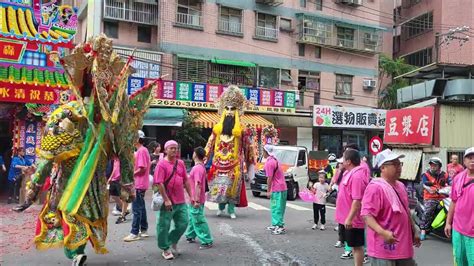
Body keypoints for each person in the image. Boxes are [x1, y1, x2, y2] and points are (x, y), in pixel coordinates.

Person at [361, 149, 421, 266]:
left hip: (404, 249)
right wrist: (383, 232)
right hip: (383, 251)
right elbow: (367, 216)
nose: (399, 167)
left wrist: (414, 230)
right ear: (382, 168)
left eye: (400, 164)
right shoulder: (375, 188)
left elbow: (406, 211)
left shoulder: (401, 186)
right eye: (394, 164)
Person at [204, 86, 256, 219]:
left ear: (237, 111)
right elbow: (209, 145)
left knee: (232, 188)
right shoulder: (217, 129)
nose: (229, 112)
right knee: (220, 187)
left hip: (234, 166)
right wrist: (202, 160)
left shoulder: (242, 131)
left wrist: (251, 165)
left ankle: (231, 209)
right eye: (226, 108)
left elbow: (249, 148)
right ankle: (221, 208)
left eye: (232, 109)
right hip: (218, 164)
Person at [154, 140, 193, 260]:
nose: (174, 150)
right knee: (163, 225)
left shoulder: (180, 163)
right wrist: (166, 199)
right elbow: (159, 183)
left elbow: (186, 180)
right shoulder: (161, 164)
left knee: (183, 223)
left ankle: (171, 241)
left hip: (180, 200)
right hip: (168, 201)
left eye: (176, 148)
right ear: (165, 150)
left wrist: (191, 196)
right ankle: (165, 248)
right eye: (171, 148)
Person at [335, 148, 369, 266]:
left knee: (357, 247)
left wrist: (350, 218)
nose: (341, 162)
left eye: (343, 159)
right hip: (347, 218)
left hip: (353, 220)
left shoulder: (357, 176)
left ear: (349, 161)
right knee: (353, 246)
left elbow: (357, 200)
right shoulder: (349, 173)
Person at [445, 147, 474, 266]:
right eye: (470, 158)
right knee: (459, 261)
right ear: (465, 161)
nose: (472, 161)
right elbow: (453, 201)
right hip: (458, 229)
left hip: (472, 234)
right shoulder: (458, 178)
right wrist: (448, 222)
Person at [124, 130, 151, 242]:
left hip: (139, 183)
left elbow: (142, 168)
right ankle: (143, 230)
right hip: (142, 183)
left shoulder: (141, 151)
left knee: (136, 209)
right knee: (141, 207)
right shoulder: (143, 150)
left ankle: (134, 232)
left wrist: (131, 174)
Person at [185, 147, 213, 249]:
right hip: (196, 198)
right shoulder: (201, 167)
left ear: (195, 154)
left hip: (196, 199)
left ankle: (206, 240)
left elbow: (198, 184)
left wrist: (196, 200)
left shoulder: (197, 168)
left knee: (198, 219)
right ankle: (190, 235)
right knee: (194, 218)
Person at [420, 157, 450, 241]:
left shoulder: (445, 175)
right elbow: (424, 184)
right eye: (431, 165)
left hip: (443, 197)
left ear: (439, 166)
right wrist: (431, 189)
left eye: (435, 165)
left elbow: (451, 182)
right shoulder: (426, 175)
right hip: (431, 197)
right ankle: (423, 230)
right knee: (428, 211)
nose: (432, 167)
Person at [263, 144, 288, 235]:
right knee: (275, 206)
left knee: (277, 207)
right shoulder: (274, 160)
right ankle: (275, 224)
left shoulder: (270, 162)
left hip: (278, 189)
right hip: (279, 188)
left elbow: (269, 178)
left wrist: (268, 190)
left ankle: (280, 226)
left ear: (266, 152)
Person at [108, 155, 129, 224]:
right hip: (114, 179)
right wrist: (111, 178)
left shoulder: (122, 158)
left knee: (123, 197)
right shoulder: (114, 159)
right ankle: (124, 210)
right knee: (113, 195)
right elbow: (114, 169)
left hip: (120, 180)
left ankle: (123, 215)